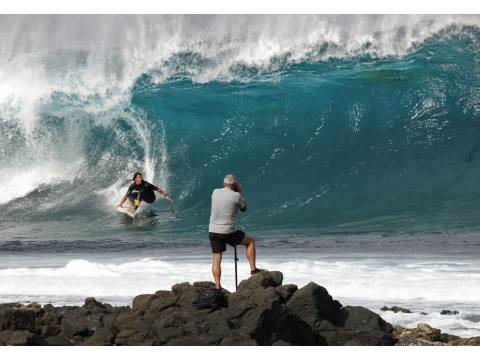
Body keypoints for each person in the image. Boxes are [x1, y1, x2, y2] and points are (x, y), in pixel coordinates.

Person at [208, 174, 264, 289]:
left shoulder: (215, 192)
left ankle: (218, 287)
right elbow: (244, 208)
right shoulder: (236, 195)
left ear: (224, 183)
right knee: (250, 242)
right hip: (228, 233)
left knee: (216, 259)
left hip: (213, 231)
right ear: (234, 185)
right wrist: (240, 192)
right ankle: (253, 269)